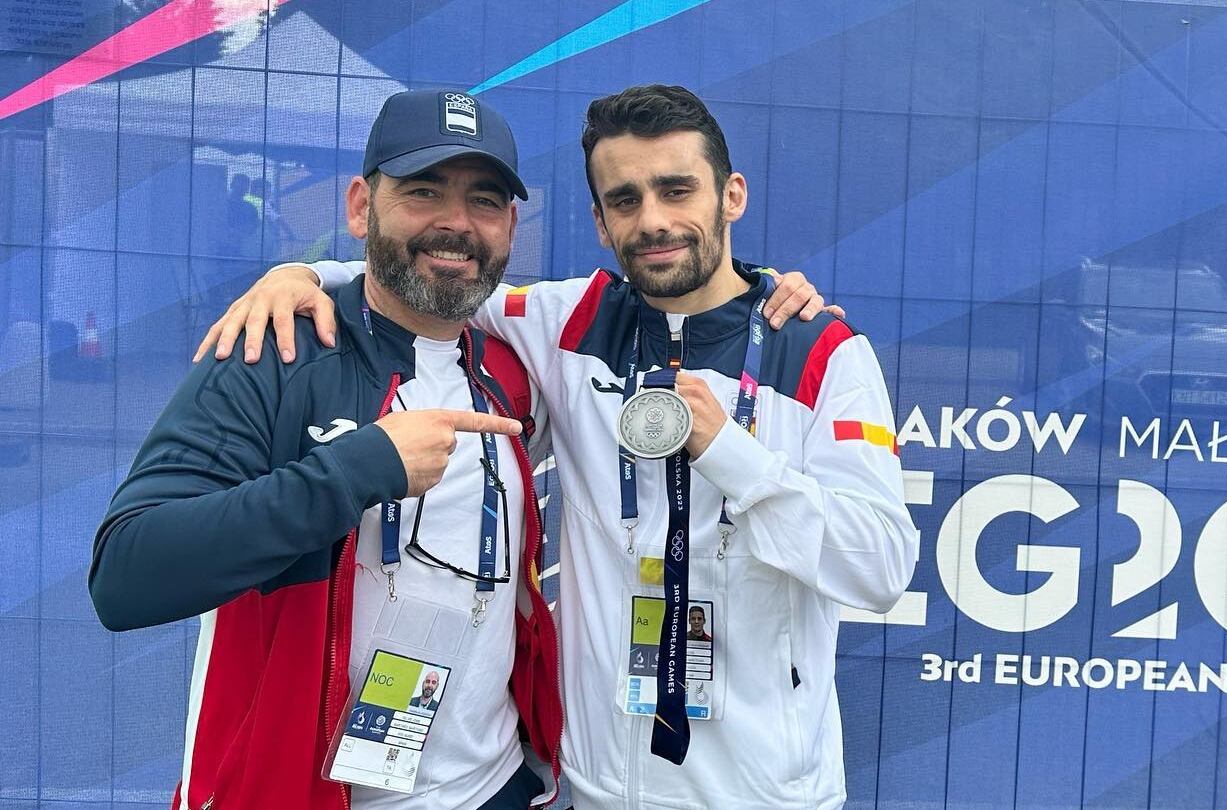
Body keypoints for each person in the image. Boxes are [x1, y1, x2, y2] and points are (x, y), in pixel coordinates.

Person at [199, 84, 918, 810]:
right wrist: (302, 275)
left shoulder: (819, 351)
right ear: (601, 224)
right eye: (625, 200)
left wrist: (733, 453)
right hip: (598, 790)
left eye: (677, 190)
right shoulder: (566, 320)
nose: (655, 220)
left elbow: (879, 567)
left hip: (765, 795)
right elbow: (425, 274)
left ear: (731, 195)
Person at [92, 90, 567, 810]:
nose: (456, 224)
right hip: (298, 793)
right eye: (423, 191)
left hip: (495, 787)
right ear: (359, 205)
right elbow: (126, 574)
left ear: (510, 225)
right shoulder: (272, 351)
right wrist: (359, 469)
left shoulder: (514, 369)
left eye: (485, 200)